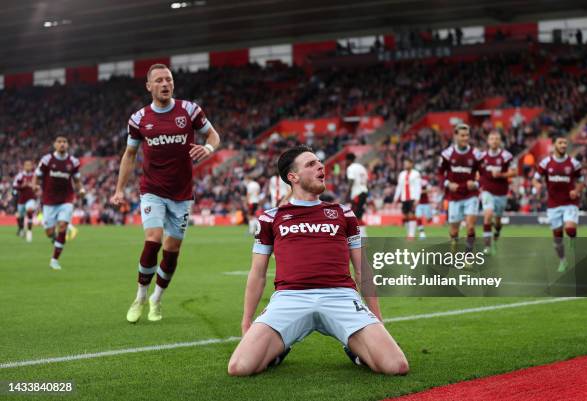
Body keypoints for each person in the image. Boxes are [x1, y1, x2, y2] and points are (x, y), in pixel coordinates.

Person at [228, 145, 408, 376]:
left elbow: (363, 269)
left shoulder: (344, 213)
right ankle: (280, 348)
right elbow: (258, 273)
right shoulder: (270, 218)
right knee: (239, 367)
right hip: (290, 298)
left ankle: (353, 349)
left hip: (340, 296)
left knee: (396, 366)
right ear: (293, 177)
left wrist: (377, 319)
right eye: (310, 164)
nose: (320, 166)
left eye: (319, 162)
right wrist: (246, 321)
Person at [111, 63, 221, 323]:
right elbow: (130, 155)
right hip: (152, 190)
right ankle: (139, 296)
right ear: (149, 86)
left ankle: (156, 299)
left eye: (168, 79)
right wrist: (118, 190)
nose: (165, 84)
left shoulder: (190, 110)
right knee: (154, 238)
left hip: (182, 193)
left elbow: (214, 136)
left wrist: (208, 149)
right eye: (159, 80)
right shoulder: (139, 119)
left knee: (172, 249)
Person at [33, 137, 85, 270]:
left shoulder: (73, 161)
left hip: (66, 200)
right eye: (59, 142)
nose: (62, 144)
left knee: (62, 226)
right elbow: (37, 175)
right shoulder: (47, 160)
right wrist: (35, 185)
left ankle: (54, 260)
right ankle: (56, 239)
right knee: (49, 232)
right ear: (54, 144)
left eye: (64, 142)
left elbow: (77, 179)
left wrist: (81, 189)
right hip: (49, 201)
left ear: (67, 145)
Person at [532, 136, 582, 272]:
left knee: (570, 229)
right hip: (553, 204)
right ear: (554, 145)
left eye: (565, 143)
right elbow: (535, 179)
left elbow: (581, 181)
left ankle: (572, 235)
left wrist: (576, 191)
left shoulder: (574, 163)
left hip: (570, 203)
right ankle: (562, 261)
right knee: (557, 237)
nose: (563, 145)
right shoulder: (545, 163)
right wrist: (537, 186)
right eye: (560, 142)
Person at [438, 124, 481, 252]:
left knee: (470, 227)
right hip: (454, 196)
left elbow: (484, 174)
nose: (465, 138)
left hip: (470, 194)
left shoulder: (476, 154)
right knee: (454, 230)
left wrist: (476, 184)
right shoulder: (447, 154)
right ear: (455, 136)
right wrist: (448, 184)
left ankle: (468, 255)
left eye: (467, 135)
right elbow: (440, 173)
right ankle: (454, 246)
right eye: (462, 135)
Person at [478, 131, 516, 255]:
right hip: (487, 191)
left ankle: (498, 230)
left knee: (498, 220)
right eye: (492, 139)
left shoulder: (507, 156)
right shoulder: (482, 156)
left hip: (501, 192)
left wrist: (501, 175)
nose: (494, 141)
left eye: (496, 139)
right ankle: (487, 246)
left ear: (500, 141)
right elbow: (477, 172)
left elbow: (514, 172)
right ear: (488, 141)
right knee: (488, 215)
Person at [393, 158, 422, 239]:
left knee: (411, 215)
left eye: (407, 163)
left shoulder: (416, 174)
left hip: (412, 197)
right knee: (405, 216)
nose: (405, 165)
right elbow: (399, 187)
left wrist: (417, 198)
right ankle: (408, 233)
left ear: (411, 164)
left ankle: (411, 235)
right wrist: (396, 198)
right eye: (404, 163)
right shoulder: (402, 174)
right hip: (404, 198)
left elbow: (418, 187)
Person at [12, 160, 37, 242]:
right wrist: (22, 186)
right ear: (24, 166)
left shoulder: (34, 175)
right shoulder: (20, 175)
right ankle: (21, 228)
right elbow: (14, 186)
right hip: (21, 199)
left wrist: (37, 187)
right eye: (27, 165)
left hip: (31, 198)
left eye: (30, 165)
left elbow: (38, 185)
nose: (28, 167)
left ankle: (29, 231)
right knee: (19, 216)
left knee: (30, 210)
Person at [345, 152, 369, 237]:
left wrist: (347, 194)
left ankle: (362, 237)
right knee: (358, 215)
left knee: (354, 216)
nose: (345, 162)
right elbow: (366, 181)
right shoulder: (362, 167)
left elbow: (351, 180)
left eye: (346, 160)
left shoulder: (350, 168)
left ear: (348, 160)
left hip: (357, 194)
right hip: (364, 192)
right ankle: (362, 236)